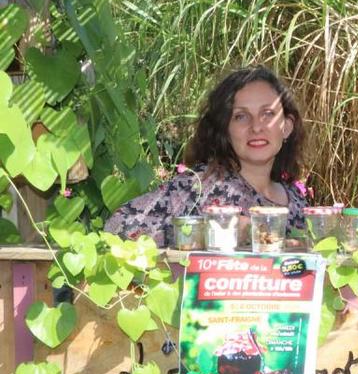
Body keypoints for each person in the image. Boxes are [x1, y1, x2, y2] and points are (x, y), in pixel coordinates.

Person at [105, 66, 308, 247]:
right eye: (240, 116)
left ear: (286, 127)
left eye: (268, 113)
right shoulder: (202, 185)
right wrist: (209, 231)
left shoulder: (296, 200)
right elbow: (117, 226)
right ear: (225, 128)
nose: (256, 126)